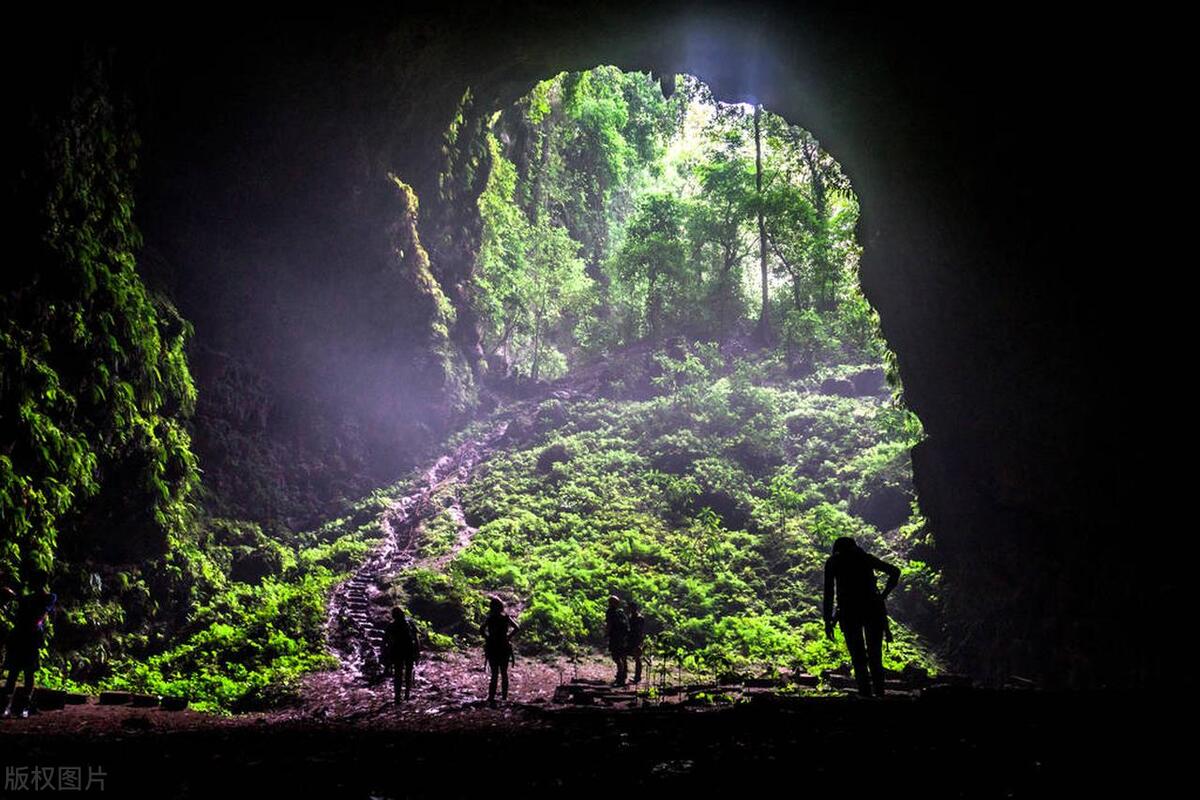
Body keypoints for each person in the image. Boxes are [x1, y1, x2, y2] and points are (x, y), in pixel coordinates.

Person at [823, 536, 900, 698]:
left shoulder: (834, 562)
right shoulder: (865, 558)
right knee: (875, 657)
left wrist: (827, 620)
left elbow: (829, 593)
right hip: (873, 610)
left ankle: (865, 696)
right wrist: (883, 595)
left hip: (849, 612)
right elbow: (895, 571)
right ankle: (879, 695)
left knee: (858, 659)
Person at [2, 579, 56, 718]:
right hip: (21, 637)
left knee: (27, 673)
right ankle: (6, 707)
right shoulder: (28, 599)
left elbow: (43, 611)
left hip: (29, 638)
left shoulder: (47, 598)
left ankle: (23, 707)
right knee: (14, 674)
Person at [480, 597, 519, 705]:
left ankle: (491, 697)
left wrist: (488, 638)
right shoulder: (505, 617)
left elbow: (481, 630)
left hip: (493, 647)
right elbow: (517, 627)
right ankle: (504, 697)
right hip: (504, 647)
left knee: (494, 674)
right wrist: (508, 637)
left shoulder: (490, 618)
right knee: (504, 673)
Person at [381, 607, 420, 702]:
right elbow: (416, 639)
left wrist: (385, 654)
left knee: (398, 674)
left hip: (397, 651)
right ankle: (406, 694)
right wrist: (417, 653)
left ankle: (398, 696)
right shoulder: (409, 623)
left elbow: (384, 641)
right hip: (408, 651)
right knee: (407, 673)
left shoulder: (392, 625)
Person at [605, 595, 629, 686]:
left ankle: (620, 678)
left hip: (615, 639)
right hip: (623, 639)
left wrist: (606, 634)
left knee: (617, 658)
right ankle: (623, 676)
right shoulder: (621, 613)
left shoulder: (610, 612)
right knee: (622, 657)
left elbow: (609, 624)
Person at [627, 601, 646, 684]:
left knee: (637, 658)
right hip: (631, 639)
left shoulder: (639, 618)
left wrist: (639, 642)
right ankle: (636, 677)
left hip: (637, 640)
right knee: (635, 658)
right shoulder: (631, 617)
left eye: (631, 608)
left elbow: (640, 631)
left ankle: (637, 677)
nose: (630, 610)